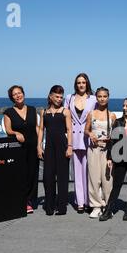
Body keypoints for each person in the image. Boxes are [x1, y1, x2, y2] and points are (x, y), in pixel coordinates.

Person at [99, 97, 127, 221]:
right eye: (123, 105)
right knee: (117, 185)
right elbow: (112, 142)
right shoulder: (118, 122)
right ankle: (108, 210)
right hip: (120, 158)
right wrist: (109, 158)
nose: (124, 108)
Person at [37, 85, 73, 216]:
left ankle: (62, 207)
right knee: (48, 177)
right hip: (49, 147)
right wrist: (39, 146)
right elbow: (41, 130)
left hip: (63, 146)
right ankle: (49, 205)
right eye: (57, 96)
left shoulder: (65, 111)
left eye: (61, 97)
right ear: (50, 96)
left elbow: (69, 130)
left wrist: (70, 147)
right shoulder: (44, 112)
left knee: (62, 177)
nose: (59, 99)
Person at [64, 73, 97, 214]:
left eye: (83, 82)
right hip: (73, 139)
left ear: (87, 83)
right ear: (75, 84)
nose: (81, 85)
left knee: (89, 172)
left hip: (88, 139)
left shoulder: (94, 99)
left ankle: (90, 201)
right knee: (77, 172)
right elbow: (64, 116)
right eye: (78, 82)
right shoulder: (69, 98)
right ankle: (80, 202)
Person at [4, 85, 39, 214]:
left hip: (33, 145)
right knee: (21, 174)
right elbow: (8, 130)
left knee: (32, 173)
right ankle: (22, 200)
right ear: (11, 98)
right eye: (15, 94)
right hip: (18, 147)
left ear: (23, 94)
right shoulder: (9, 112)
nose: (18, 95)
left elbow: (36, 127)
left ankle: (30, 200)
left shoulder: (32, 109)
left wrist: (40, 144)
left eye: (19, 93)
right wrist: (16, 133)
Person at [84, 87, 117, 219]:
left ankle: (107, 206)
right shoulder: (91, 114)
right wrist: (90, 133)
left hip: (107, 150)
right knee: (93, 178)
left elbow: (116, 134)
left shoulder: (112, 115)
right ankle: (96, 206)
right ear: (96, 98)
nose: (102, 99)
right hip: (93, 149)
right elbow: (86, 130)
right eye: (99, 96)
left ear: (108, 98)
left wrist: (111, 138)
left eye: (104, 96)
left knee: (108, 179)